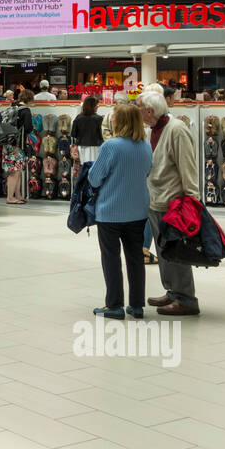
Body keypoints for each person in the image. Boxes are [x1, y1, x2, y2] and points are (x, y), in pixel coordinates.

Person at [137, 89, 202, 315]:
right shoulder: (152, 130)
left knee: (177, 252)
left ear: (150, 110)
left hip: (174, 203)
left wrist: (192, 201)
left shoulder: (176, 130)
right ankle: (173, 292)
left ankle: (186, 299)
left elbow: (188, 168)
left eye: (139, 108)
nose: (137, 112)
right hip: (156, 201)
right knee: (164, 251)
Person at [88, 103, 153, 319]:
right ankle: (136, 305)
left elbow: (94, 178)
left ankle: (114, 304)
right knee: (135, 257)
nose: (111, 119)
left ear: (121, 120)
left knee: (111, 258)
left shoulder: (111, 146)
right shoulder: (145, 145)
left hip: (111, 211)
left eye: (114, 117)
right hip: (138, 210)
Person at [3, 89, 35, 204]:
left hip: (8, 144)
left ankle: (18, 195)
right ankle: (10, 197)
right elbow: (28, 128)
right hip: (18, 145)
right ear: (29, 99)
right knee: (15, 172)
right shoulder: (25, 110)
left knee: (17, 171)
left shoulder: (13, 107)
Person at [71, 94, 105, 166]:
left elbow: (73, 134)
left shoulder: (78, 118)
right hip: (96, 147)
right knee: (95, 167)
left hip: (82, 147)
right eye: (97, 104)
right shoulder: (99, 119)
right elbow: (102, 135)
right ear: (92, 106)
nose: (98, 106)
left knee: (84, 168)